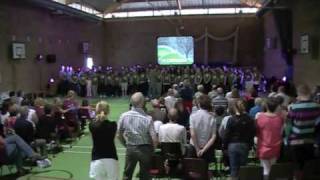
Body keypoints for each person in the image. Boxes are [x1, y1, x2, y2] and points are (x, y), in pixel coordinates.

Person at [118, 92, 158, 180]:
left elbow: (118, 134)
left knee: (127, 174)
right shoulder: (148, 118)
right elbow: (154, 139)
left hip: (131, 147)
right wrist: (153, 149)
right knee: (145, 175)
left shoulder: (124, 116)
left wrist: (125, 144)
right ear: (142, 102)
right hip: (145, 148)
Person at [287, 84, 320, 179]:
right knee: (307, 166)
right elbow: (318, 123)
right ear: (309, 93)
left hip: (295, 141)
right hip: (310, 140)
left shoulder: (294, 107)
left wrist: (287, 138)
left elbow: (289, 125)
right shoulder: (317, 106)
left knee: (297, 167)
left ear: (299, 94)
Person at [224, 100, 256, 179]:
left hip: (232, 145)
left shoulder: (231, 119)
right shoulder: (249, 119)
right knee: (243, 168)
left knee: (234, 168)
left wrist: (224, 146)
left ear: (235, 108)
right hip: (244, 145)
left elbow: (227, 134)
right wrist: (250, 145)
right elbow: (252, 133)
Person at [89, 101, 119, 180]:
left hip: (96, 160)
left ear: (97, 111)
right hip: (111, 159)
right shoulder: (113, 125)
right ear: (108, 111)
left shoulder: (92, 125)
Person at [256, 98, 284, 177]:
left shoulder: (260, 117)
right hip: (275, 147)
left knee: (265, 169)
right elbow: (281, 132)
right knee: (272, 169)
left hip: (263, 147)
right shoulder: (280, 119)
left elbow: (257, 132)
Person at [189, 95, 216, 164]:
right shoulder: (212, 118)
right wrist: (203, 150)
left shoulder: (192, 116)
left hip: (193, 146)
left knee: (192, 170)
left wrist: (197, 148)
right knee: (205, 170)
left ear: (199, 104)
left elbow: (192, 134)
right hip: (207, 147)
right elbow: (213, 136)